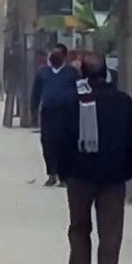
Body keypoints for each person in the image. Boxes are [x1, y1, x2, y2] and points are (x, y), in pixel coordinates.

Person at [48, 52, 132, 264]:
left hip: (79, 176)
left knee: (79, 227)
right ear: (106, 73)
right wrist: (126, 171)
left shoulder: (72, 100)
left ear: (83, 74)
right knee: (110, 233)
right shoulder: (122, 101)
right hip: (113, 178)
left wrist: (64, 171)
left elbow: (60, 139)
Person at [31, 44, 79, 186]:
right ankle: (52, 173)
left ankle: (64, 176)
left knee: (65, 144)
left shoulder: (72, 73)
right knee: (48, 143)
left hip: (67, 114)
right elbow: (36, 92)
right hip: (48, 113)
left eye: (57, 54)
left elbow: (80, 90)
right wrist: (33, 109)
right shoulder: (43, 72)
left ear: (64, 56)